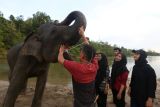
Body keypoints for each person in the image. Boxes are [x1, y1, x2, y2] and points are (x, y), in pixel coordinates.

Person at [58, 26, 99, 107]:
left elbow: (60, 59)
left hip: (80, 104)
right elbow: (90, 50)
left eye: (80, 51)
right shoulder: (95, 66)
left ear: (83, 56)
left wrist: (61, 50)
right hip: (91, 102)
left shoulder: (77, 67)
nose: (79, 52)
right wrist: (83, 35)